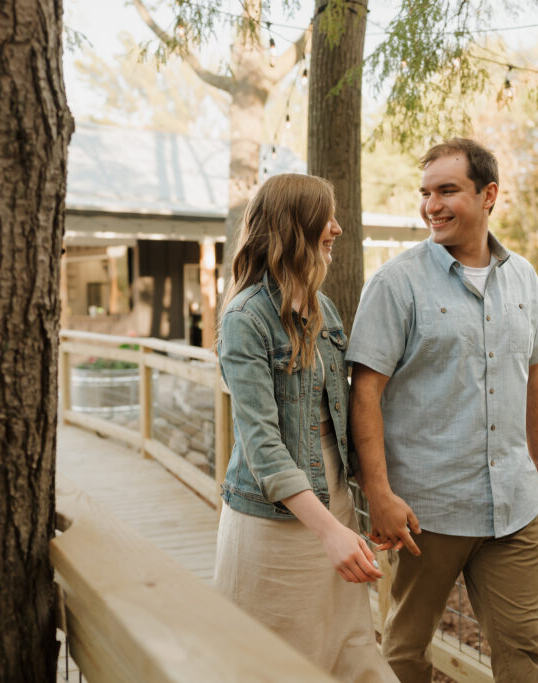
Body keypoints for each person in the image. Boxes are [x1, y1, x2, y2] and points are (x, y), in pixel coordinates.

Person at [347, 138, 538, 682]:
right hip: (426, 513)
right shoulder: (397, 283)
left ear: (488, 195)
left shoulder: (524, 279)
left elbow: (532, 376)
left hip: (513, 506)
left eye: (447, 191)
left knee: (526, 655)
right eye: (425, 192)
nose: (431, 205)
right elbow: (364, 391)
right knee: (405, 653)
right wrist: (379, 493)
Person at [213, 173, 397, 682]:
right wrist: (330, 533)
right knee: (276, 664)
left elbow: (344, 415)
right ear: (294, 226)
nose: (336, 228)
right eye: (325, 217)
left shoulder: (324, 309)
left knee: (350, 649)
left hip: (334, 504)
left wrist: (371, 500)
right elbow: (263, 447)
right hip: (275, 525)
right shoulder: (245, 318)